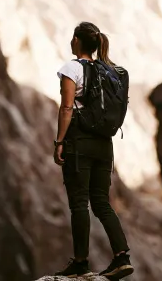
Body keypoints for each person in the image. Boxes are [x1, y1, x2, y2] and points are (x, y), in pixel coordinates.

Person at [52, 22, 134, 279]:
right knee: (101, 202)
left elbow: (66, 108)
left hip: (79, 142)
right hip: (104, 145)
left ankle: (80, 263)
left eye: (72, 38)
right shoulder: (109, 71)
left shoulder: (71, 68)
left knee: (79, 203)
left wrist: (59, 142)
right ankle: (122, 257)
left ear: (77, 41)